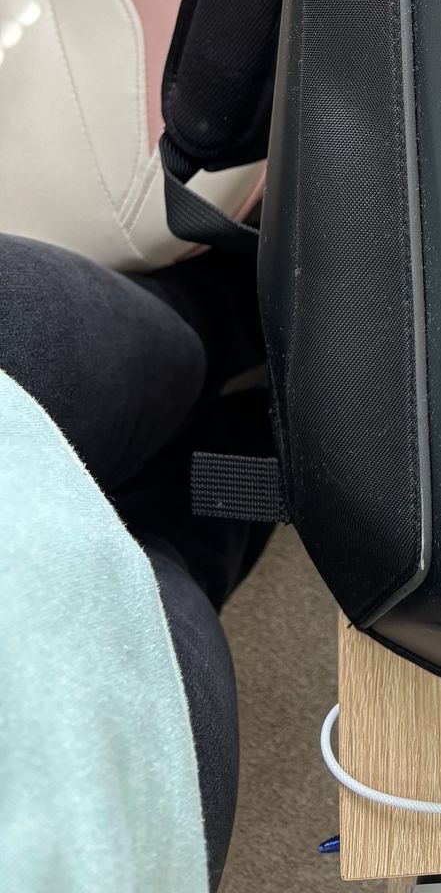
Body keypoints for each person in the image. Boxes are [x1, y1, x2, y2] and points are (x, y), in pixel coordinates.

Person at [0, 233, 271, 892]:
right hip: (75, 769)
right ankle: (281, 426)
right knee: (200, 525)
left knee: (185, 336)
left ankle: (269, 318)